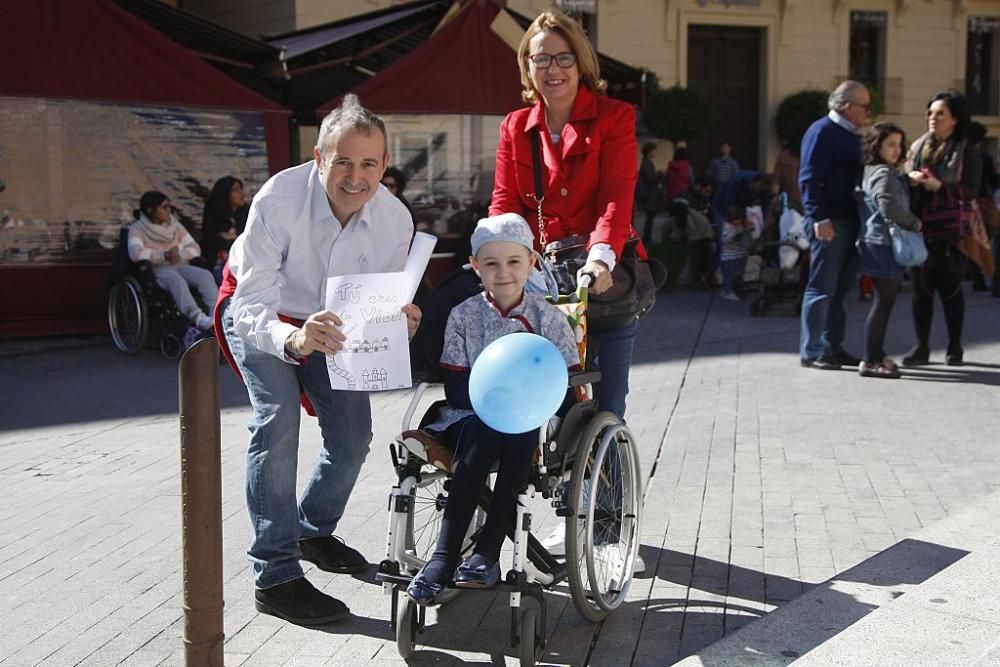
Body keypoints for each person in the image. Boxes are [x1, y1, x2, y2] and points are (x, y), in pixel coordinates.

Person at [217, 94, 421, 626]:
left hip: (334, 326)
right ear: (318, 157)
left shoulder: (396, 219)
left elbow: (377, 302)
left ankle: (310, 531)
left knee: (353, 439)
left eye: (370, 163)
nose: (357, 176)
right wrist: (293, 340)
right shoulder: (278, 198)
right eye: (344, 161)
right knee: (277, 421)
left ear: (384, 166)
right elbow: (249, 306)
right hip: (262, 315)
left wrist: (397, 322)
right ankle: (275, 573)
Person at [405, 213, 579, 606]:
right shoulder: (464, 315)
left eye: (514, 262)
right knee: (487, 433)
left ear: (532, 263)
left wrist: (523, 409)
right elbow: (454, 384)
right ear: (475, 267)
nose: (503, 273)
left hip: (528, 418)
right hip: (469, 416)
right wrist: (493, 407)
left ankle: (485, 553)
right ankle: (446, 558)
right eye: (491, 263)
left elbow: (562, 383)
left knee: (517, 435)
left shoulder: (547, 319)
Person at [489, 8, 640, 421]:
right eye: (541, 59)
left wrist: (601, 256)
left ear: (581, 63)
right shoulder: (515, 127)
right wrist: (493, 256)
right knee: (543, 402)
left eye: (563, 58)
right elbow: (504, 204)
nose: (552, 68)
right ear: (528, 66)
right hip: (543, 281)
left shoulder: (615, 117)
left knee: (608, 407)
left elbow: (616, 197)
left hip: (600, 277)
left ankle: (607, 482)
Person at [903, 90, 981, 366]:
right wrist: (910, 178)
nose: (932, 119)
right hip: (920, 227)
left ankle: (954, 346)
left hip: (951, 232)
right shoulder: (918, 146)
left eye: (940, 114)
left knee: (950, 291)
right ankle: (921, 347)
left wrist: (941, 187)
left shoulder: (966, 150)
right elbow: (903, 177)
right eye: (930, 113)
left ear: (955, 119)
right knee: (920, 291)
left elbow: (972, 190)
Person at [798, 80, 870, 370]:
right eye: (865, 106)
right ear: (848, 106)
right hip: (831, 223)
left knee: (841, 291)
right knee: (821, 289)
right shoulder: (822, 131)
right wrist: (819, 218)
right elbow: (808, 178)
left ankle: (832, 347)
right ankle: (812, 351)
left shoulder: (851, 135)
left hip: (850, 221)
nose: (868, 111)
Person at [857, 122, 922, 378]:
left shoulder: (877, 170)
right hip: (882, 245)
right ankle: (871, 360)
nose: (897, 150)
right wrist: (914, 223)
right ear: (877, 146)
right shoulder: (883, 173)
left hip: (876, 243)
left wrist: (908, 181)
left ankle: (875, 355)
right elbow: (887, 207)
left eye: (899, 145)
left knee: (883, 301)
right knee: (883, 303)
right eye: (890, 145)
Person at [127, 191, 217, 331]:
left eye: (170, 207)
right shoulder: (137, 229)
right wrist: (164, 255)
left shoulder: (175, 225)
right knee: (175, 280)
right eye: (164, 207)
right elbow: (135, 253)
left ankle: (216, 315)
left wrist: (179, 255)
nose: (169, 210)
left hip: (179, 263)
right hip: (157, 269)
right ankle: (197, 317)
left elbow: (194, 248)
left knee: (205, 276)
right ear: (151, 210)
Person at [200, 176, 245, 283]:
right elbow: (208, 241)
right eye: (237, 190)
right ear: (225, 192)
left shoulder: (246, 212)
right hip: (219, 263)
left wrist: (226, 238)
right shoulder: (212, 213)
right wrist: (233, 241)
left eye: (241, 189)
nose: (242, 194)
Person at [673, 175, 715, 287]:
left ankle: (700, 276)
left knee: (707, 249)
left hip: (699, 232)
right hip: (687, 231)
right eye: (706, 190)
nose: (708, 194)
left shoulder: (705, 199)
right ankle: (694, 276)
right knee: (698, 250)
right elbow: (680, 218)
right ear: (698, 186)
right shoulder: (683, 197)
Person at [719, 205, 750, 301]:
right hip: (729, 257)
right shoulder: (727, 227)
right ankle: (727, 291)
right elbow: (725, 239)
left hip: (740, 254)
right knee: (729, 275)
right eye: (735, 220)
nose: (738, 222)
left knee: (739, 274)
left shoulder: (741, 225)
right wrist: (735, 235)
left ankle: (738, 288)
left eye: (739, 219)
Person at [636, 142, 661, 245]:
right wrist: (659, 175)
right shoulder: (647, 163)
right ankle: (647, 238)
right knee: (650, 216)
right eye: (654, 150)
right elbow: (650, 178)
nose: (655, 152)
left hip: (650, 193)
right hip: (650, 193)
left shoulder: (647, 162)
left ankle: (647, 237)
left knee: (650, 216)